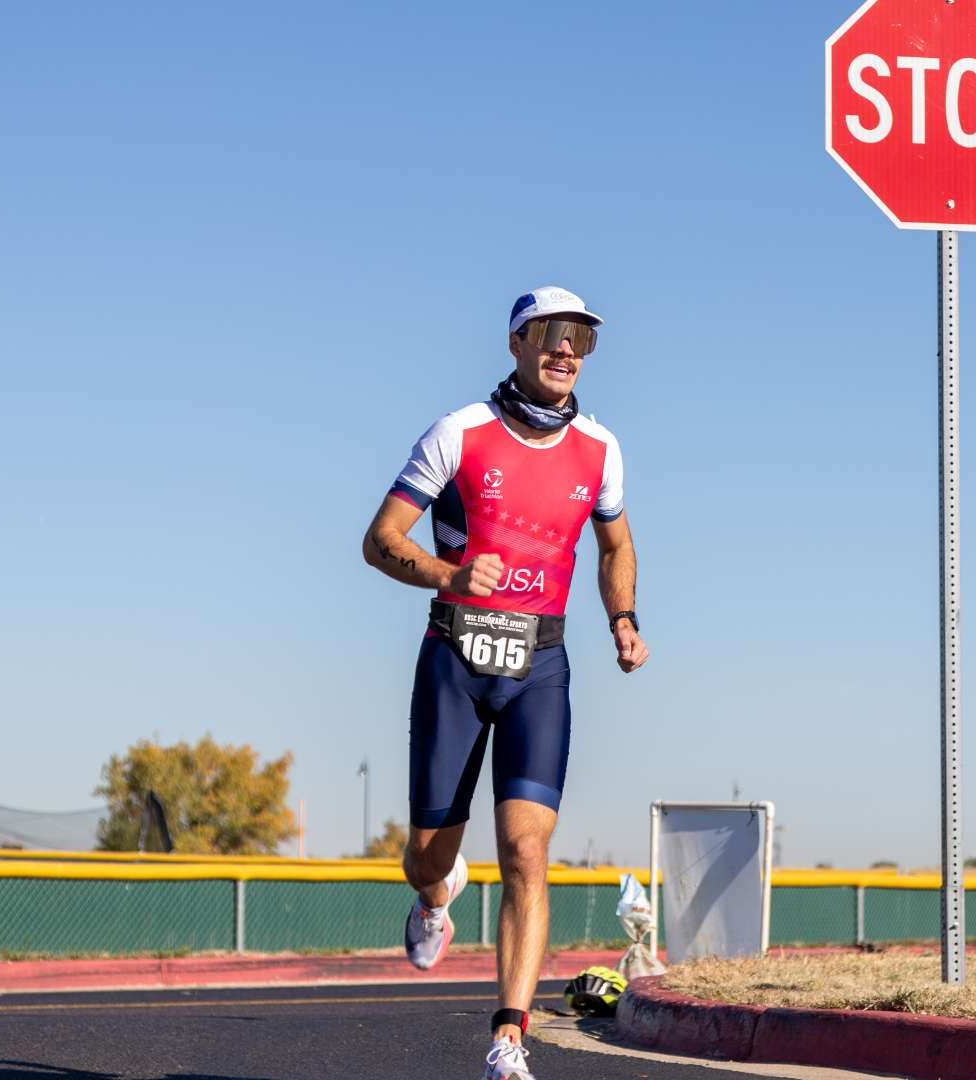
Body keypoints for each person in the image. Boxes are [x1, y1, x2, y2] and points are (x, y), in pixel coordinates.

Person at [361, 285, 649, 1079]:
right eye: (552, 335)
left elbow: (616, 544)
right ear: (517, 342)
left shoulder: (600, 448)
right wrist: (450, 572)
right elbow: (380, 540)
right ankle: (434, 893)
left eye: (582, 340)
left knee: (526, 852)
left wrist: (623, 618)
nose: (567, 351)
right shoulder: (460, 433)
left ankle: (508, 1038)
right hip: (454, 662)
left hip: (539, 669)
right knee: (428, 855)